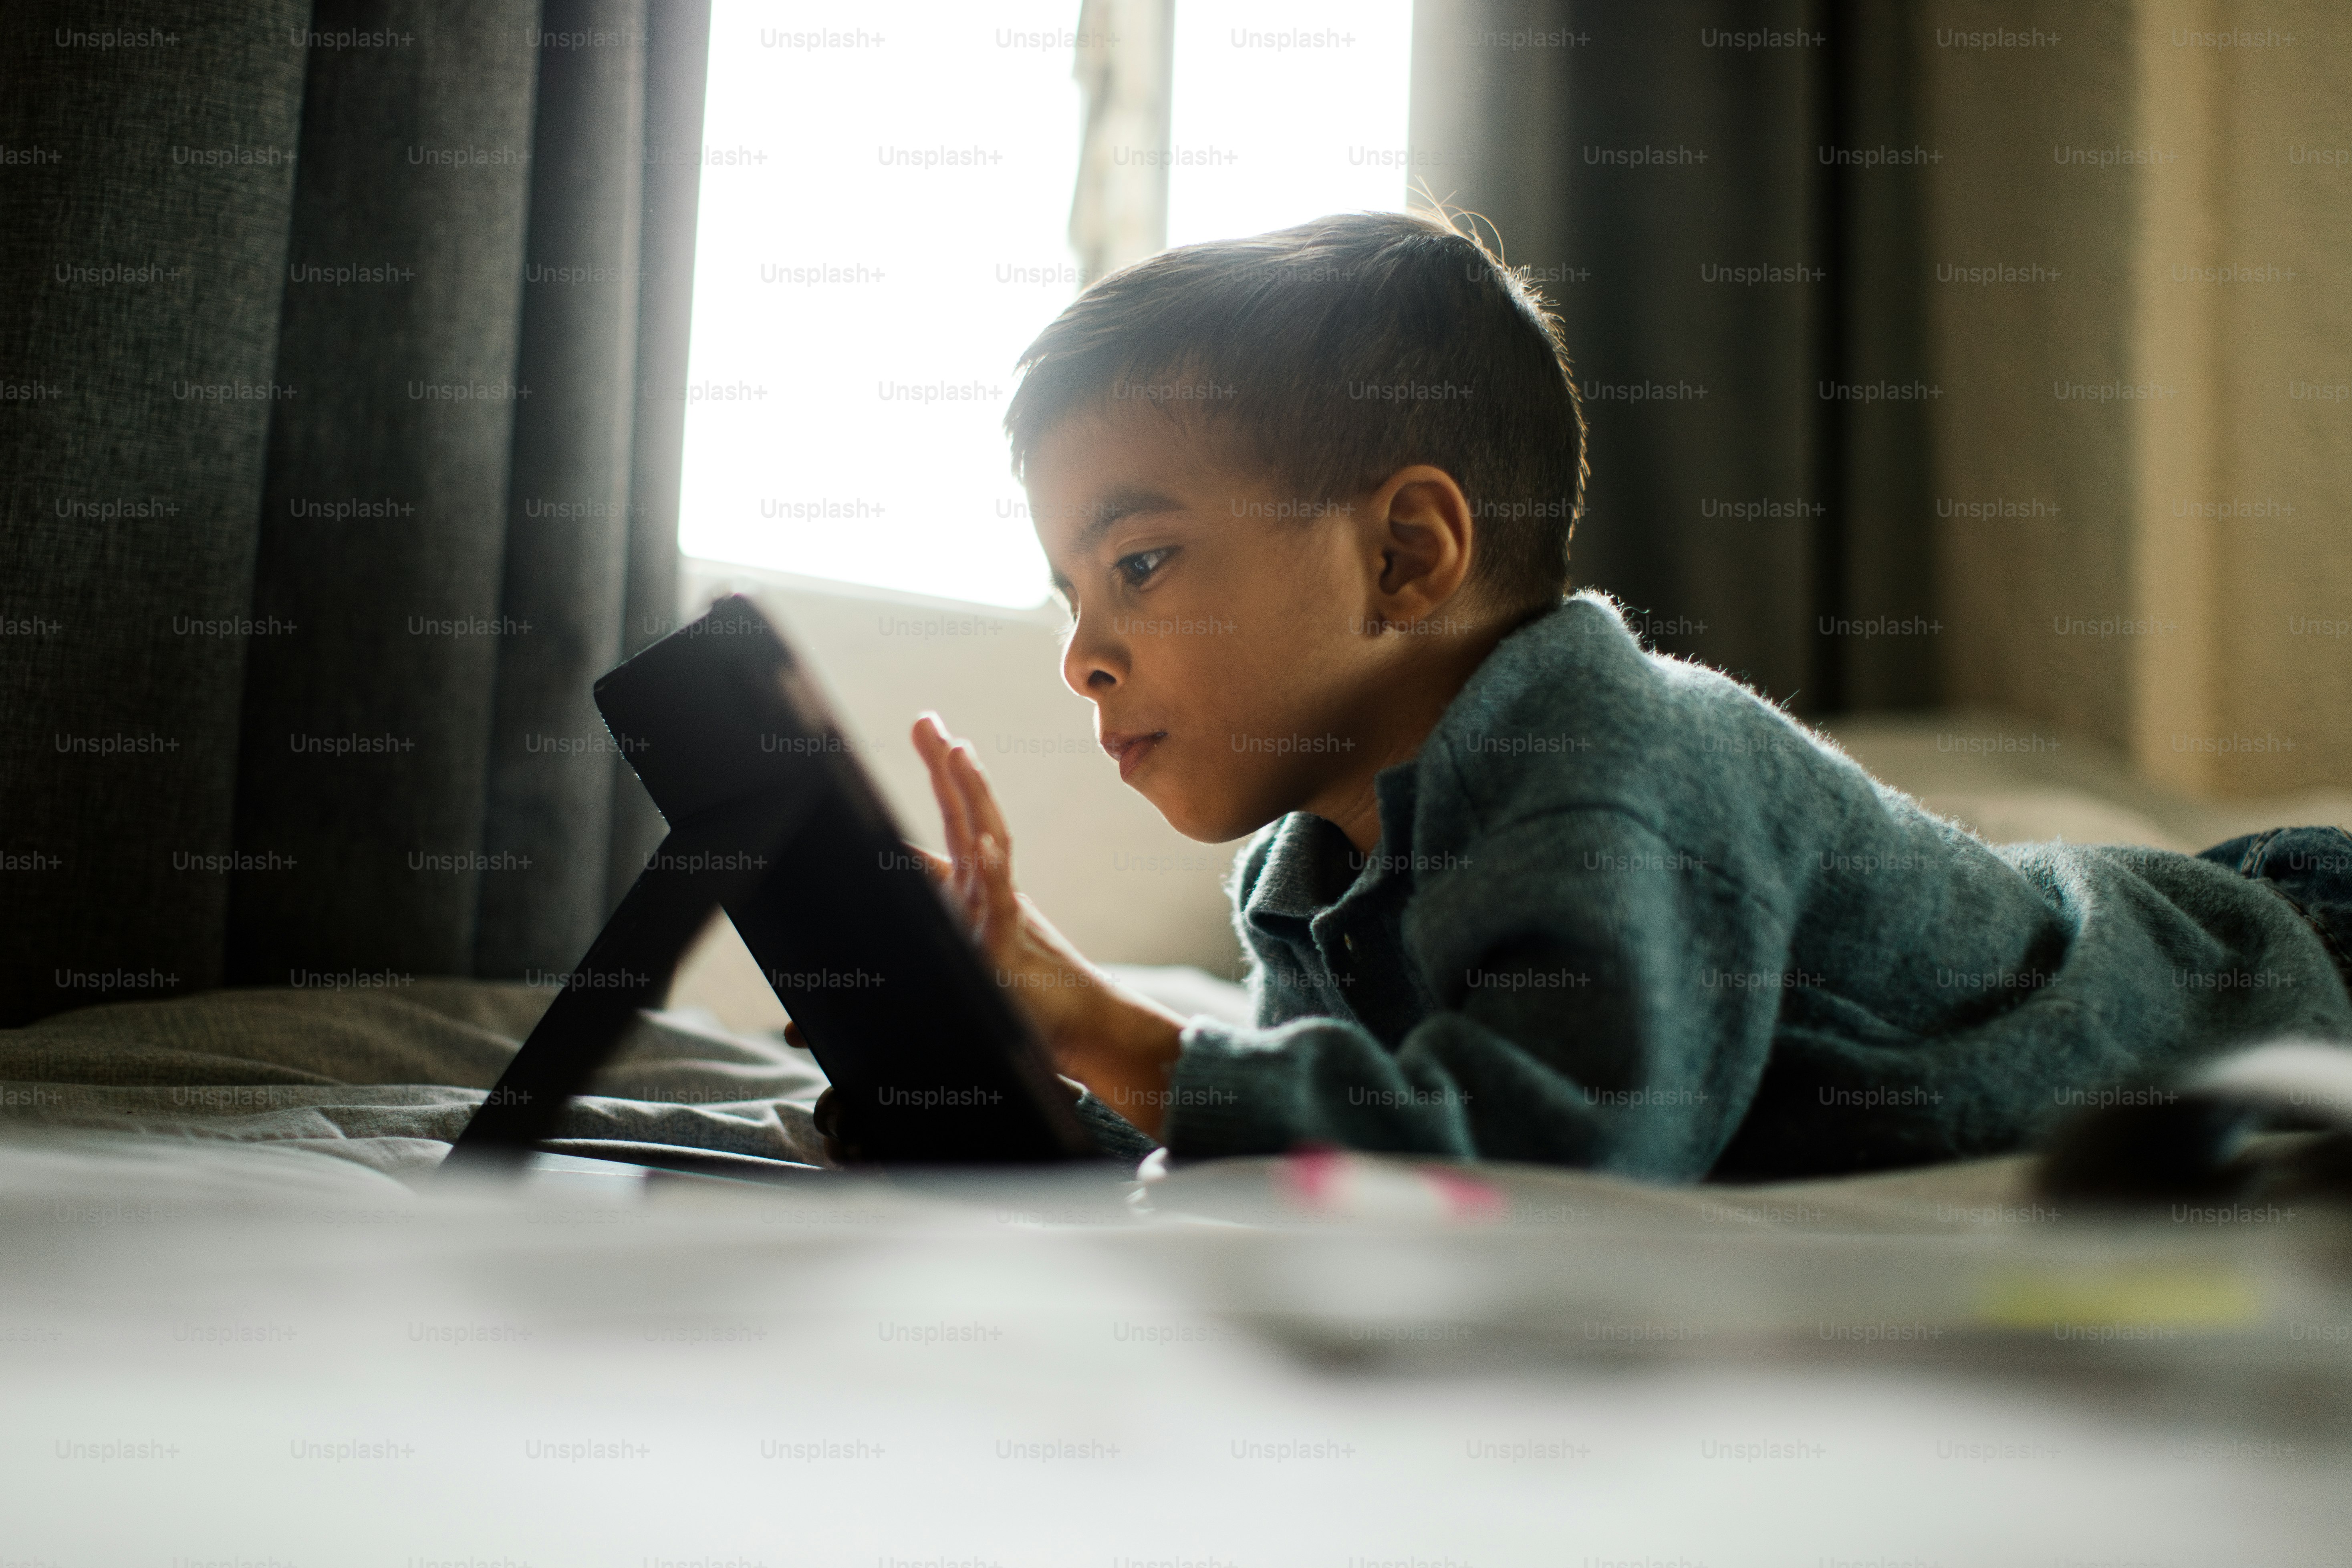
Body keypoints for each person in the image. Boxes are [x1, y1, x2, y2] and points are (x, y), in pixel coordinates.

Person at [817, 209, 2352, 1178]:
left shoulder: (1610, 755)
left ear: (1408, 554)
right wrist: (1003, 1080)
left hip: (2261, 954)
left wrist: (1117, 1030)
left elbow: (1569, 1141)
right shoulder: (1312, 880)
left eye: (1140, 562)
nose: (1083, 649)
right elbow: (1354, 1126)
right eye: (1070, 597)